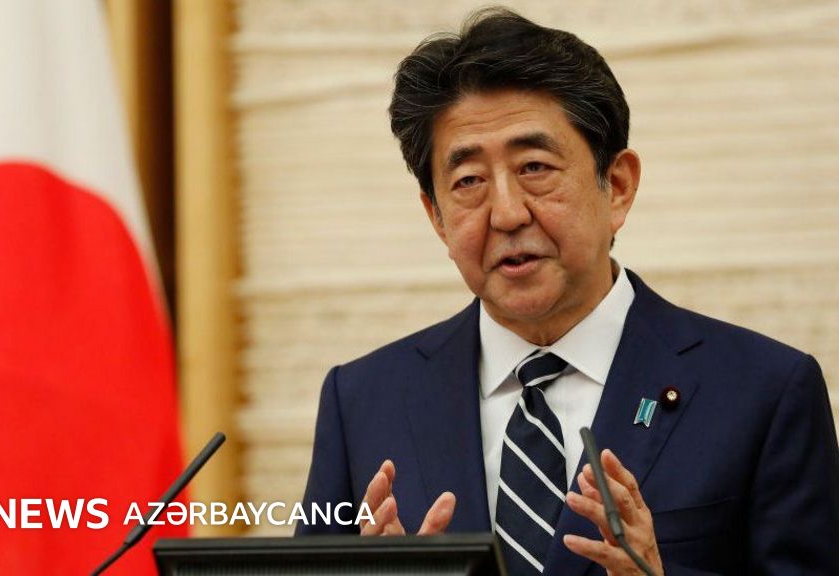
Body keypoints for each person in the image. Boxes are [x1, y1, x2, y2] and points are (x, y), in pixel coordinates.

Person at [295, 6, 839, 576]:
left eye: (534, 167)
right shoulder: (362, 401)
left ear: (618, 187)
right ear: (436, 217)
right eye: (468, 181)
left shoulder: (764, 393)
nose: (506, 213)